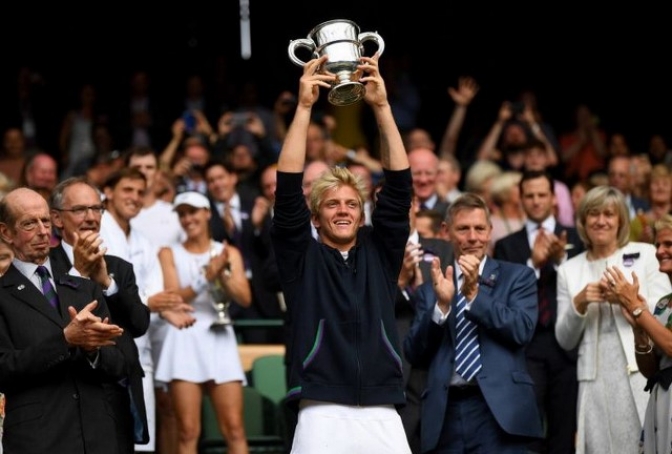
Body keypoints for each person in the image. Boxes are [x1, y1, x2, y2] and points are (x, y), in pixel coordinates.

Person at [271, 54, 413, 453]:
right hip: (320, 406)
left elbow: (400, 188)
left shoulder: (380, 253)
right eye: (332, 205)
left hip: (383, 404)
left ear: (362, 211)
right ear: (315, 218)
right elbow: (287, 189)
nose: (343, 211)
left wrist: (381, 108)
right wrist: (303, 108)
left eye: (352, 204)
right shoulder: (302, 258)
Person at [404, 192, 543, 453]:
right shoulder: (431, 288)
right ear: (446, 231)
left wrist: (475, 297)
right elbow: (415, 352)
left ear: (490, 231)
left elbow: (522, 330)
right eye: (463, 229)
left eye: (479, 228)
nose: (472, 237)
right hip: (445, 413)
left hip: (501, 413)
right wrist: (441, 307)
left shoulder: (517, 277)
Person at [0, 187, 127, 453]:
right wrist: (65, 340)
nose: (43, 231)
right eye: (29, 224)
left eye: (45, 221)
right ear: (6, 233)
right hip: (39, 439)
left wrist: (93, 350)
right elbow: (4, 368)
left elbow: (119, 365)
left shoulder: (84, 287)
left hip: (97, 436)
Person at [555, 185, 671, 453]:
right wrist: (579, 302)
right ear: (583, 221)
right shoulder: (569, 270)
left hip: (639, 367)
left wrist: (629, 298)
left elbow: (666, 308)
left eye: (609, 214)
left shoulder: (646, 253)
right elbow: (565, 340)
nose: (601, 221)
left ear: (620, 220)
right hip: (593, 377)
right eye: (593, 214)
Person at [493, 170, 584, 453]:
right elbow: (503, 296)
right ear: (520, 199)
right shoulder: (508, 245)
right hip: (526, 346)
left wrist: (558, 263)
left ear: (553, 198)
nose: (535, 201)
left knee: (564, 428)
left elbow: (582, 289)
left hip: (566, 345)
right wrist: (533, 263)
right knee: (527, 427)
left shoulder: (577, 241)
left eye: (541, 195)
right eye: (529, 195)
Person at [156, 191, 251, 454]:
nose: (188, 219)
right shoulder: (168, 253)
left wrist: (223, 273)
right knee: (187, 431)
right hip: (184, 337)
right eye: (182, 213)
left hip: (220, 337)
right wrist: (207, 276)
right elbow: (172, 297)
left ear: (207, 213)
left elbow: (244, 297)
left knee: (234, 428)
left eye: (193, 211)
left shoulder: (228, 252)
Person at [607, 214, 672, 453]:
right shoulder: (664, 304)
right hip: (662, 401)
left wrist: (637, 309)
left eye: (668, 244)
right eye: (657, 245)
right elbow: (651, 370)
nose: (660, 251)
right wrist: (639, 330)